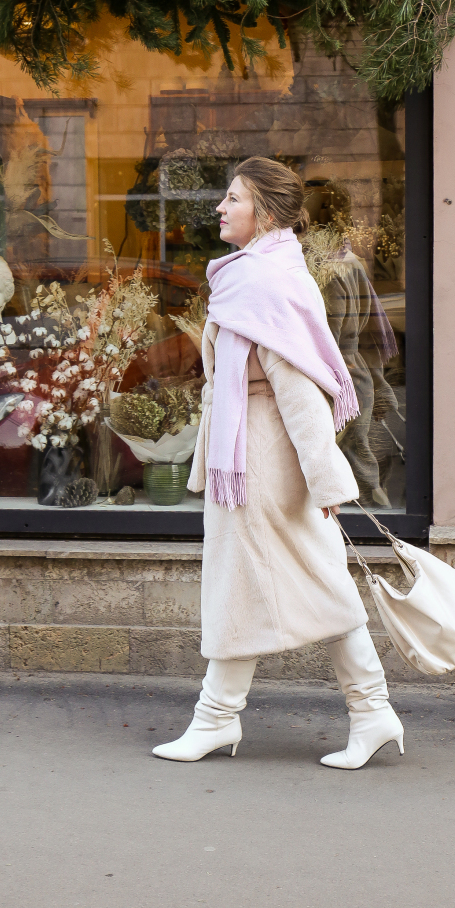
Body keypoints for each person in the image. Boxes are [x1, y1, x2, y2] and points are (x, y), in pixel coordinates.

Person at [152, 157, 404, 770]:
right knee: (298, 581)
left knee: (276, 583)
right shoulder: (256, 275)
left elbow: (299, 391)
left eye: (232, 198)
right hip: (251, 458)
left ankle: (220, 720)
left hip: (264, 464)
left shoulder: (265, 284)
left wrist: (326, 478)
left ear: (262, 212)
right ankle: (366, 712)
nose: (220, 207)